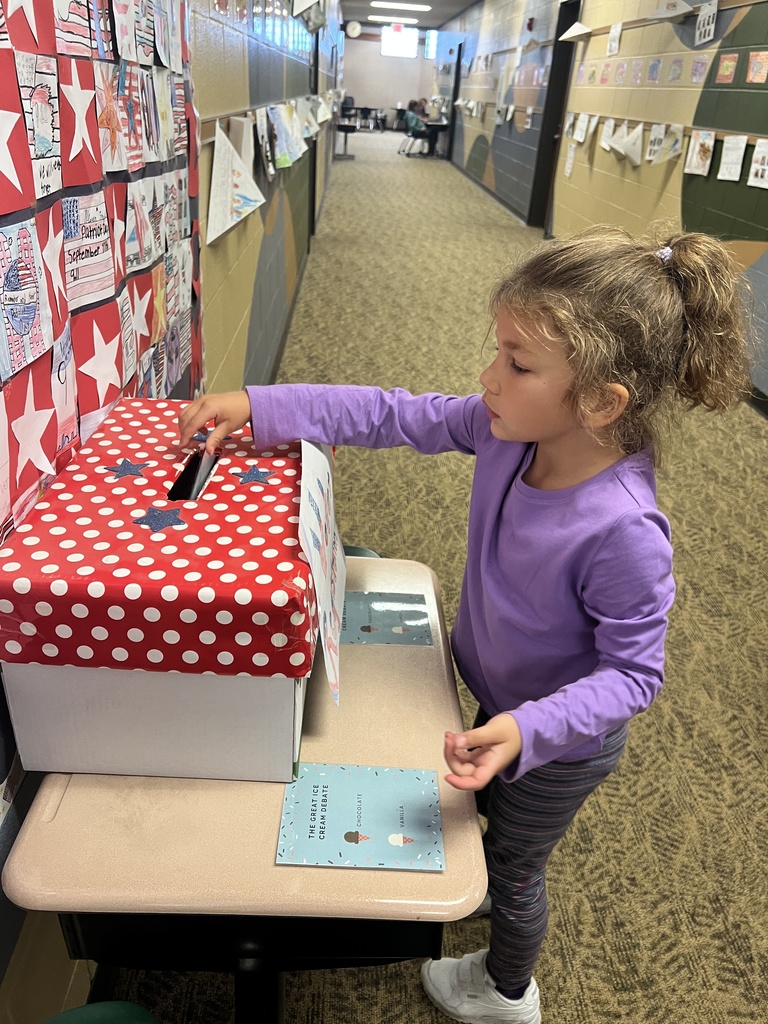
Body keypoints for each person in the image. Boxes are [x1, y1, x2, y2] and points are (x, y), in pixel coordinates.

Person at [178, 226, 752, 1024]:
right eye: (499, 351)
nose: (487, 377)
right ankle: (492, 831)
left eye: (517, 363)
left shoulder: (624, 531)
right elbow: (391, 414)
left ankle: (506, 989)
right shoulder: (507, 429)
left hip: (560, 743)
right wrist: (262, 405)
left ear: (599, 400)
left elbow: (632, 676)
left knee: (516, 869)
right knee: (486, 811)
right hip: (499, 692)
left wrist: (525, 730)